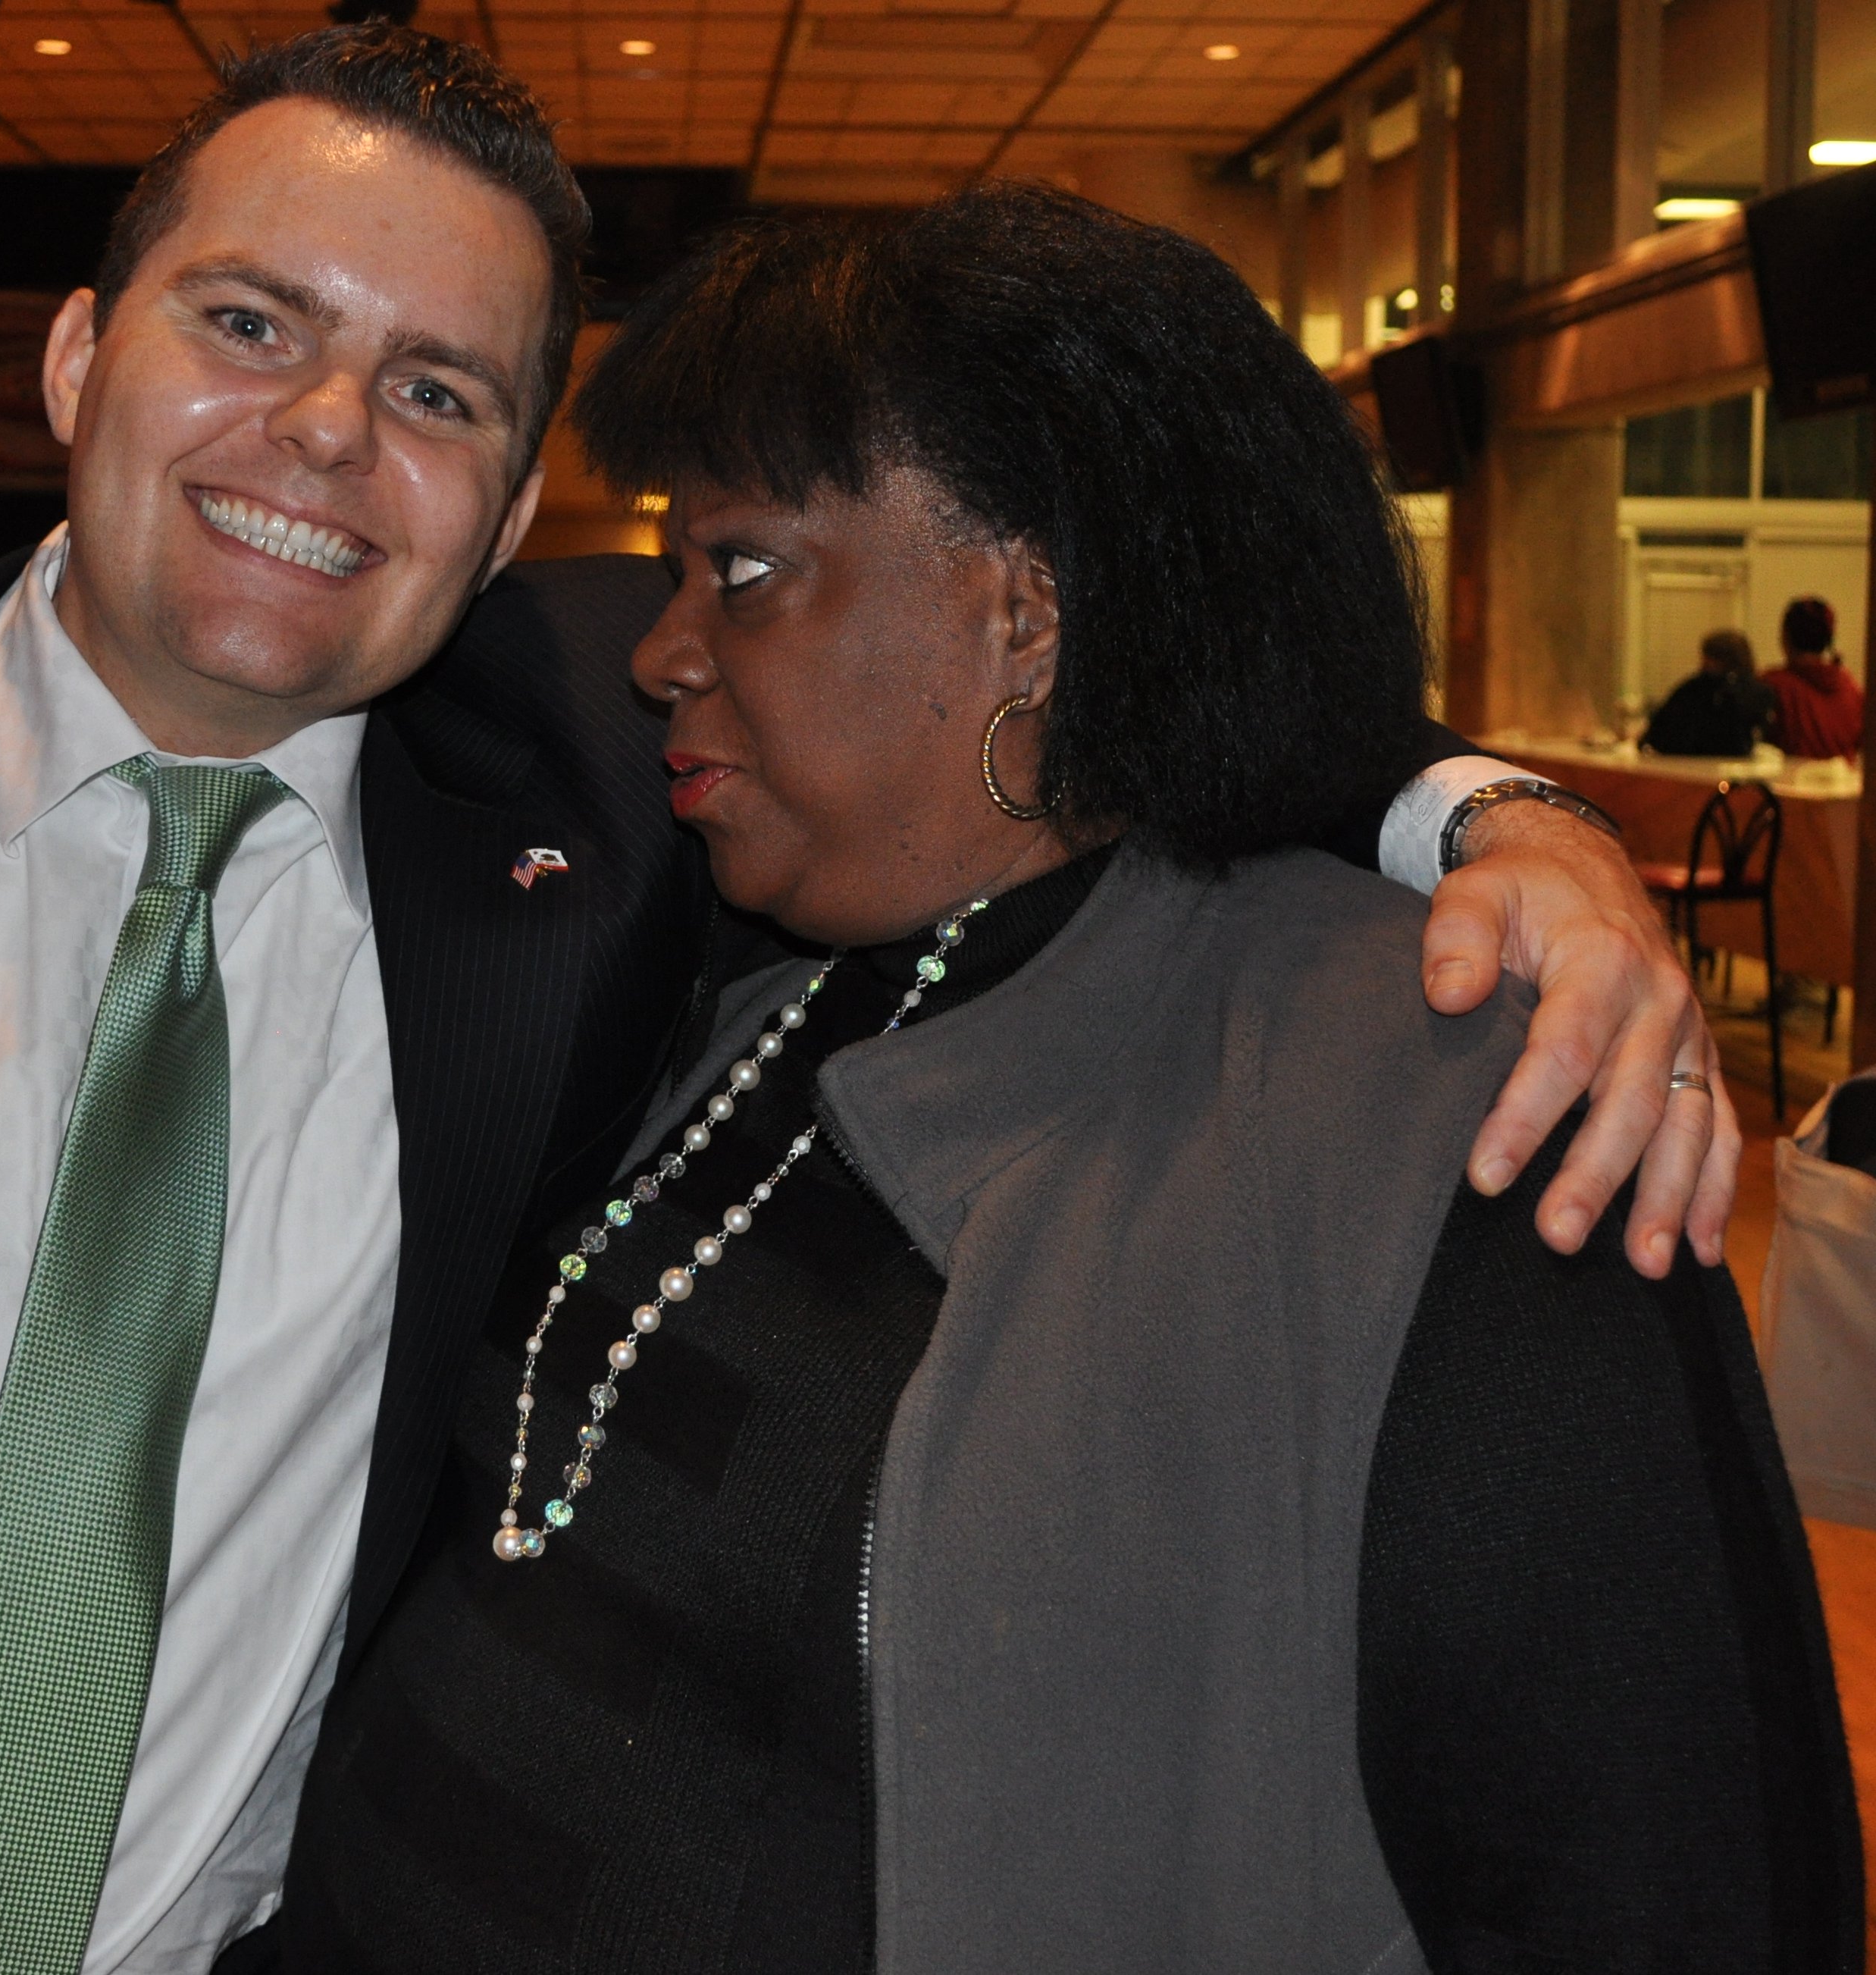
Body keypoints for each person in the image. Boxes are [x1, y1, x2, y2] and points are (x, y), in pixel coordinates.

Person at [0, 30, 1730, 1975]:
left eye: (434, 393)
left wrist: (1492, 818)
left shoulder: (600, 796)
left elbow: (1084, 667)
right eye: (247, 319)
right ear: (75, 356)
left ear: (505, 517)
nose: (320, 434)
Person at [278, 194, 1861, 1973]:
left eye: (741, 570)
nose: (661, 648)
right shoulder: (711, 951)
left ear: (1023, 615)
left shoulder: (1440, 1108)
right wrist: (1481, 800)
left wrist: (1507, 824)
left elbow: (1674, 1887)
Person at [1643, 627, 1774, 757]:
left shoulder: (1693, 689)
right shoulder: (1759, 691)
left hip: (1689, 760)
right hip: (1736, 761)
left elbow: (1660, 729)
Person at [1765, 596, 1864, 760]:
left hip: (1791, 776)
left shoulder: (1772, 687)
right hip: (1845, 776)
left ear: (1785, 638)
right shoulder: (1850, 688)